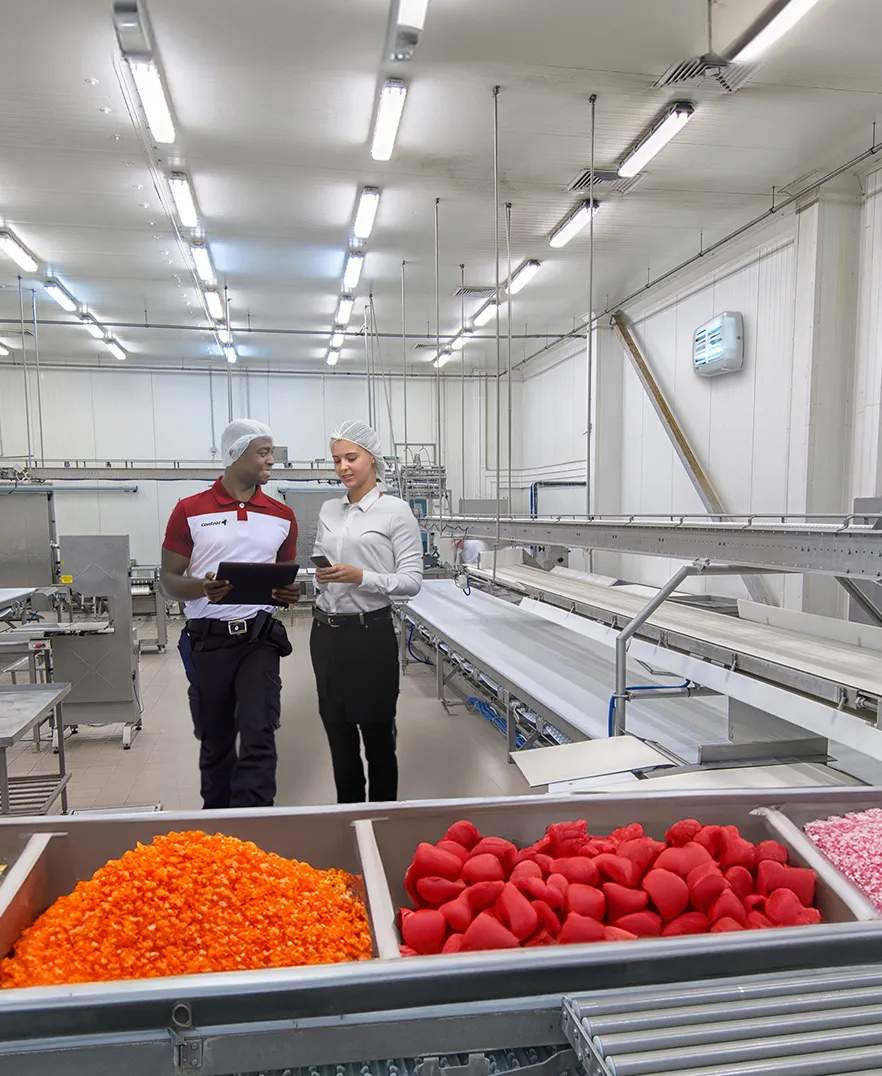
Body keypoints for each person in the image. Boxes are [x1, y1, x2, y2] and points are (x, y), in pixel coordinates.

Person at [160, 419, 300, 809]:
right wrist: (202, 588)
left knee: (259, 733)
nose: (272, 459)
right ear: (236, 454)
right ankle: (219, 828)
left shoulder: (281, 516)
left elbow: (282, 579)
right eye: (264, 451)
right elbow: (168, 582)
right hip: (209, 641)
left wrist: (288, 593)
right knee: (216, 740)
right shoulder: (189, 510)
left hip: (259, 640)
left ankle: (256, 827)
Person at [311, 420, 423, 803]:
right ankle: (348, 818)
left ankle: (382, 820)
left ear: (372, 459)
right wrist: (321, 578)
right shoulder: (329, 509)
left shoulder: (396, 512)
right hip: (325, 635)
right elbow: (321, 568)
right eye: (337, 459)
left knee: (377, 740)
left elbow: (411, 581)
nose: (343, 467)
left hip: (368, 635)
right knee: (338, 739)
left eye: (351, 458)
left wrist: (363, 577)